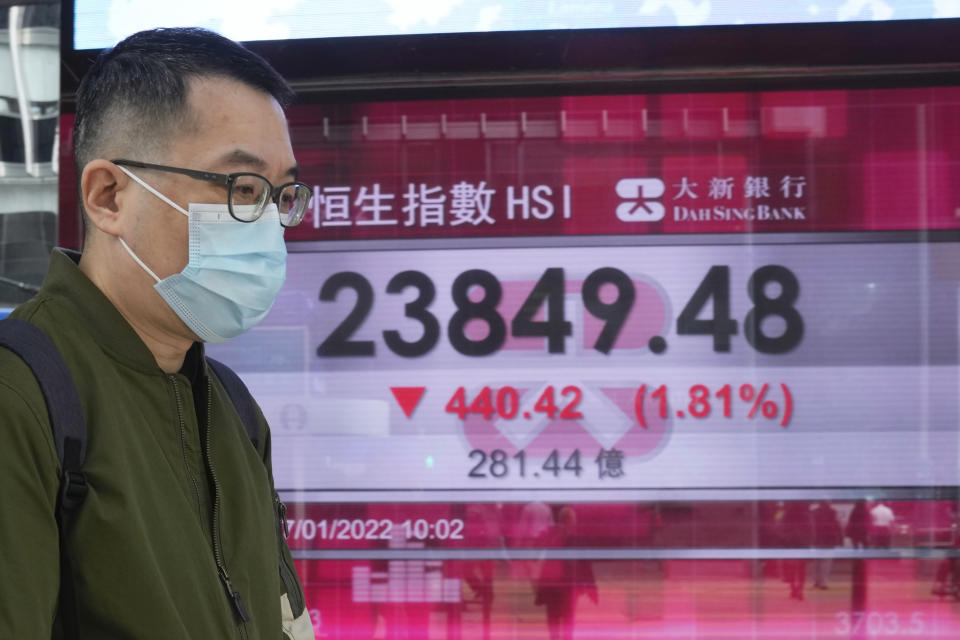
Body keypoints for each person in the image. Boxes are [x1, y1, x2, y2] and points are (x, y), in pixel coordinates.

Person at [0, 28, 315, 639]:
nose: (270, 224)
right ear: (109, 195)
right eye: (242, 189)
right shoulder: (23, 398)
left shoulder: (234, 408)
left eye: (282, 196)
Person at [811, 501, 843, 589]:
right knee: (826, 562)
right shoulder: (833, 512)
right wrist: (840, 539)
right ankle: (823, 582)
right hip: (829, 539)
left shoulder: (814, 512)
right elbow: (838, 526)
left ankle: (816, 581)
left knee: (817, 562)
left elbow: (811, 526)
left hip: (817, 540)